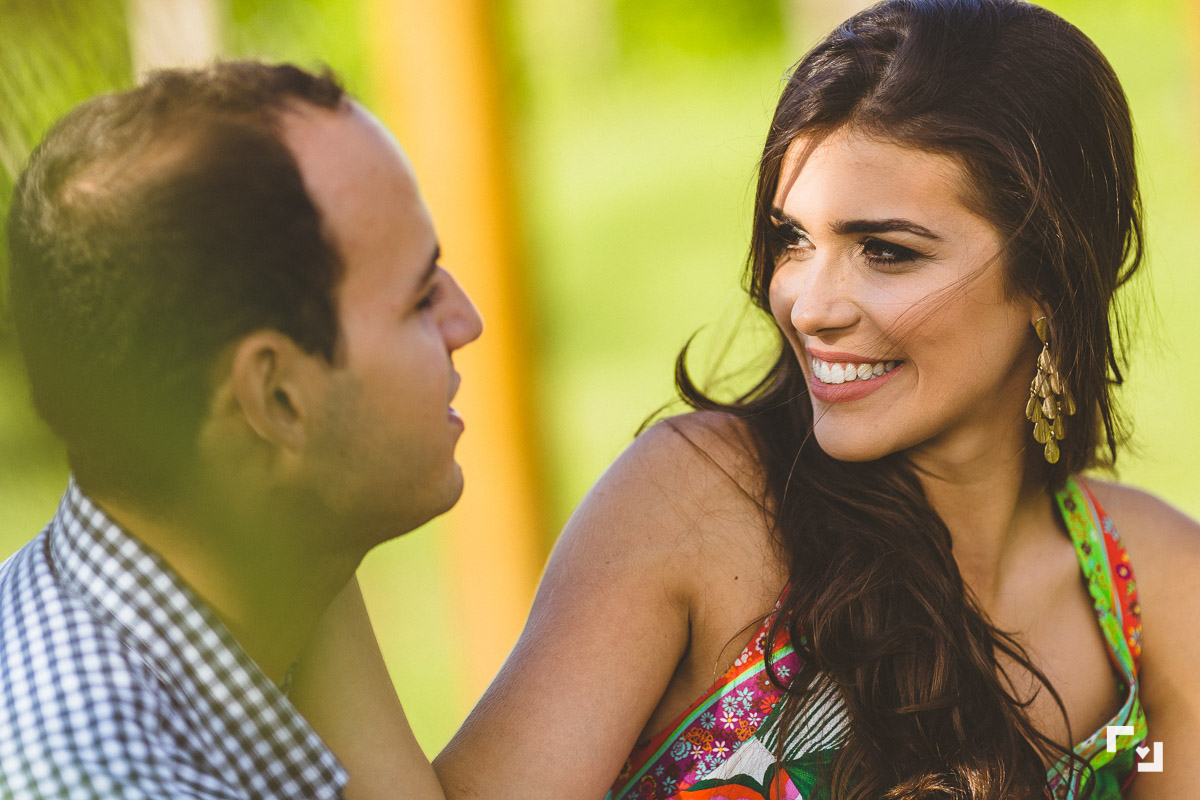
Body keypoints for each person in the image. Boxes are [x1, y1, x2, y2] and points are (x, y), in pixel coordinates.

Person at [417, 0, 1200, 798]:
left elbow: (1162, 772)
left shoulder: (1155, 592)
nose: (809, 305)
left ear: (1046, 281)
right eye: (794, 239)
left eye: (886, 251)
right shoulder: (702, 504)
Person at [0, 61, 480, 799]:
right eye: (420, 298)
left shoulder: (231, 552)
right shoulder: (103, 777)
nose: (465, 322)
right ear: (276, 399)